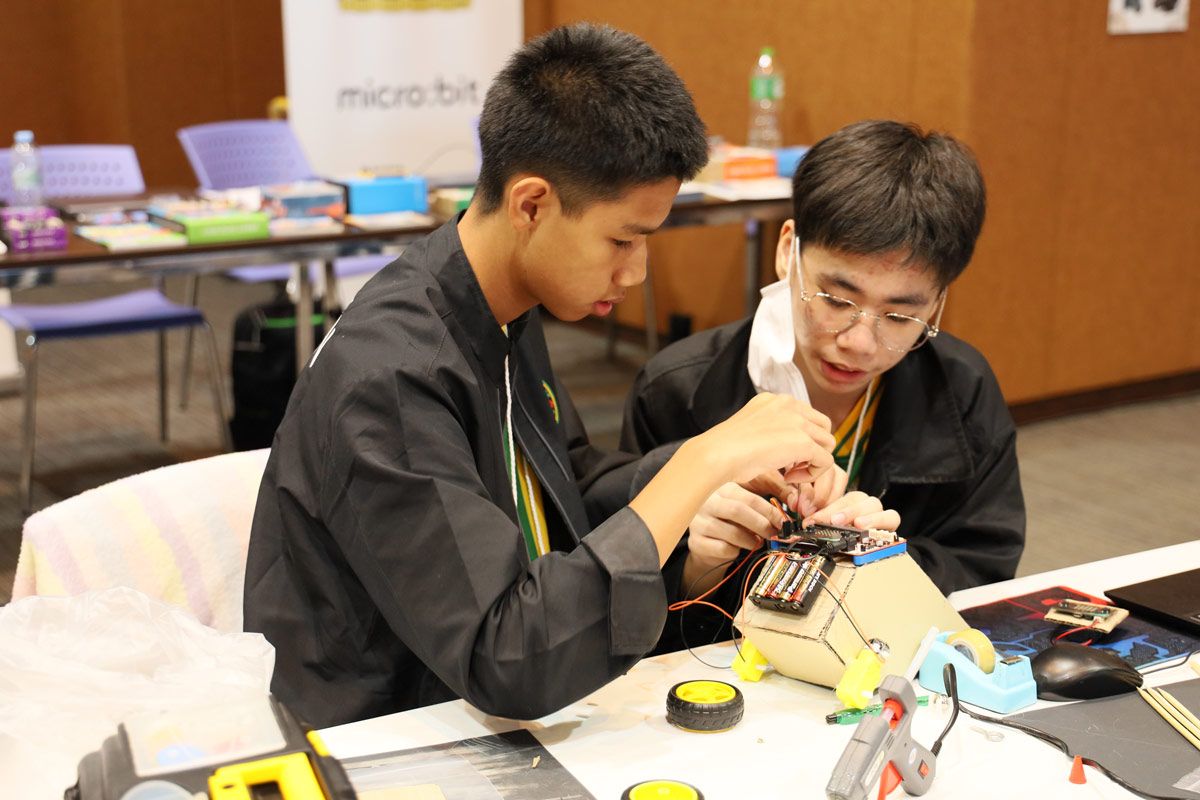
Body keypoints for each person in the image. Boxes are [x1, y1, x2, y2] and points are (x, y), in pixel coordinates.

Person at [243, 23, 839, 729]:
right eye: (623, 239)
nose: (637, 272)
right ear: (531, 204)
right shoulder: (390, 376)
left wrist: (716, 477)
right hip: (384, 731)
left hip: (471, 699)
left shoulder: (498, 302)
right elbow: (505, 658)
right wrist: (702, 462)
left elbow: (566, 484)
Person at [622, 120, 1026, 649]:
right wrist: (699, 567)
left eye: (900, 317)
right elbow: (623, 616)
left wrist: (887, 562)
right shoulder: (676, 389)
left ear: (938, 302)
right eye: (836, 300)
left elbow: (984, 578)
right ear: (787, 250)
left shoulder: (962, 392)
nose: (859, 343)